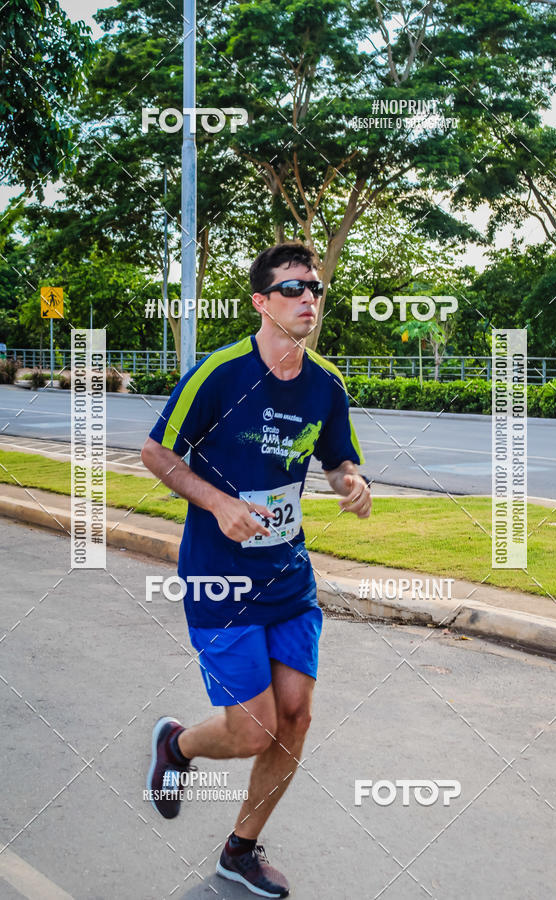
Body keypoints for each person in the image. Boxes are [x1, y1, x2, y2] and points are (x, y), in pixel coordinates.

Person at [141, 242, 371, 898]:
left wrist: (351, 483)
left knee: (294, 714)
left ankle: (240, 849)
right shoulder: (221, 373)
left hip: (289, 577)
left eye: (317, 290)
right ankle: (177, 747)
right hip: (221, 579)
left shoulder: (326, 384)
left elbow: (336, 460)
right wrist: (216, 504)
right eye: (294, 289)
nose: (309, 300)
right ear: (261, 302)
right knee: (252, 730)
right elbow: (156, 453)